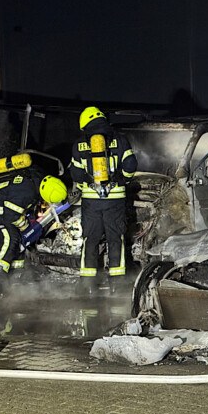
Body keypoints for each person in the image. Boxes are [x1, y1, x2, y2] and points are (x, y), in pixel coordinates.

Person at [70, 106, 138, 294]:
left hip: (91, 202)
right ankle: (117, 283)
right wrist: (123, 180)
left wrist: (86, 185)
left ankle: (87, 284)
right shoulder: (120, 140)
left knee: (90, 239)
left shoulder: (79, 144)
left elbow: (76, 173)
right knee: (115, 238)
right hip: (115, 199)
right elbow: (130, 165)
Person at [0, 172, 68, 297]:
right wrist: (25, 226)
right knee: (10, 240)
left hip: (6, 207)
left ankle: (15, 277)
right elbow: (11, 216)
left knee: (20, 241)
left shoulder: (38, 182)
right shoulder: (26, 192)